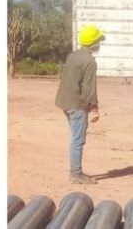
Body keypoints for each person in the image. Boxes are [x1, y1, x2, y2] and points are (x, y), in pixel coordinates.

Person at [55, 24, 105, 184]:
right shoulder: (90, 62)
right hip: (77, 105)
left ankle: (76, 172)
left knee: (75, 137)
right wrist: (94, 109)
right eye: (98, 41)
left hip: (64, 102)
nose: (100, 44)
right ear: (94, 43)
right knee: (78, 139)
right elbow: (90, 88)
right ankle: (76, 174)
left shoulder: (73, 56)